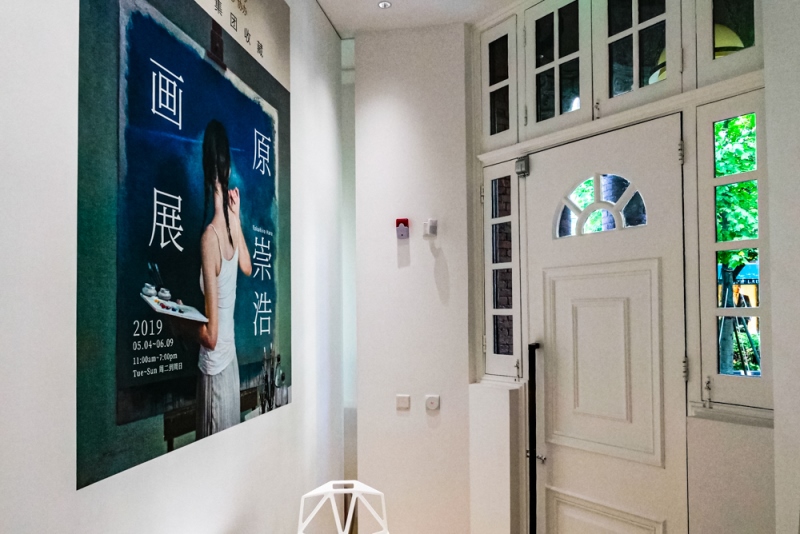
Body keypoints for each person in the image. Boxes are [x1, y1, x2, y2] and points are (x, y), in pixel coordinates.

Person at [195, 119, 252, 439]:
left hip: (215, 369)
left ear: (206, 171)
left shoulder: (210, 238)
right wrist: (237, 216)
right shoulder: (229, 228)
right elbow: (247, 266)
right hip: (230, 367)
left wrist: (178, 322)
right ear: (227, 168)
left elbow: (211, 336)